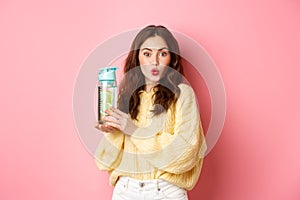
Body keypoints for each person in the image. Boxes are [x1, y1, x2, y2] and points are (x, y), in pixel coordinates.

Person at [94, 25, 206, 200]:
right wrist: (113, 132)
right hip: (125, 189)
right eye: (147, 54)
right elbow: (104, 162)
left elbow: (185, 152)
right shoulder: (127, 95)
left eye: (162, 54)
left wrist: (133, 131)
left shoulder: (183, 94)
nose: (154, 61)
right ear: (137, 58)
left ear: (172, 58)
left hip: (166, 192)